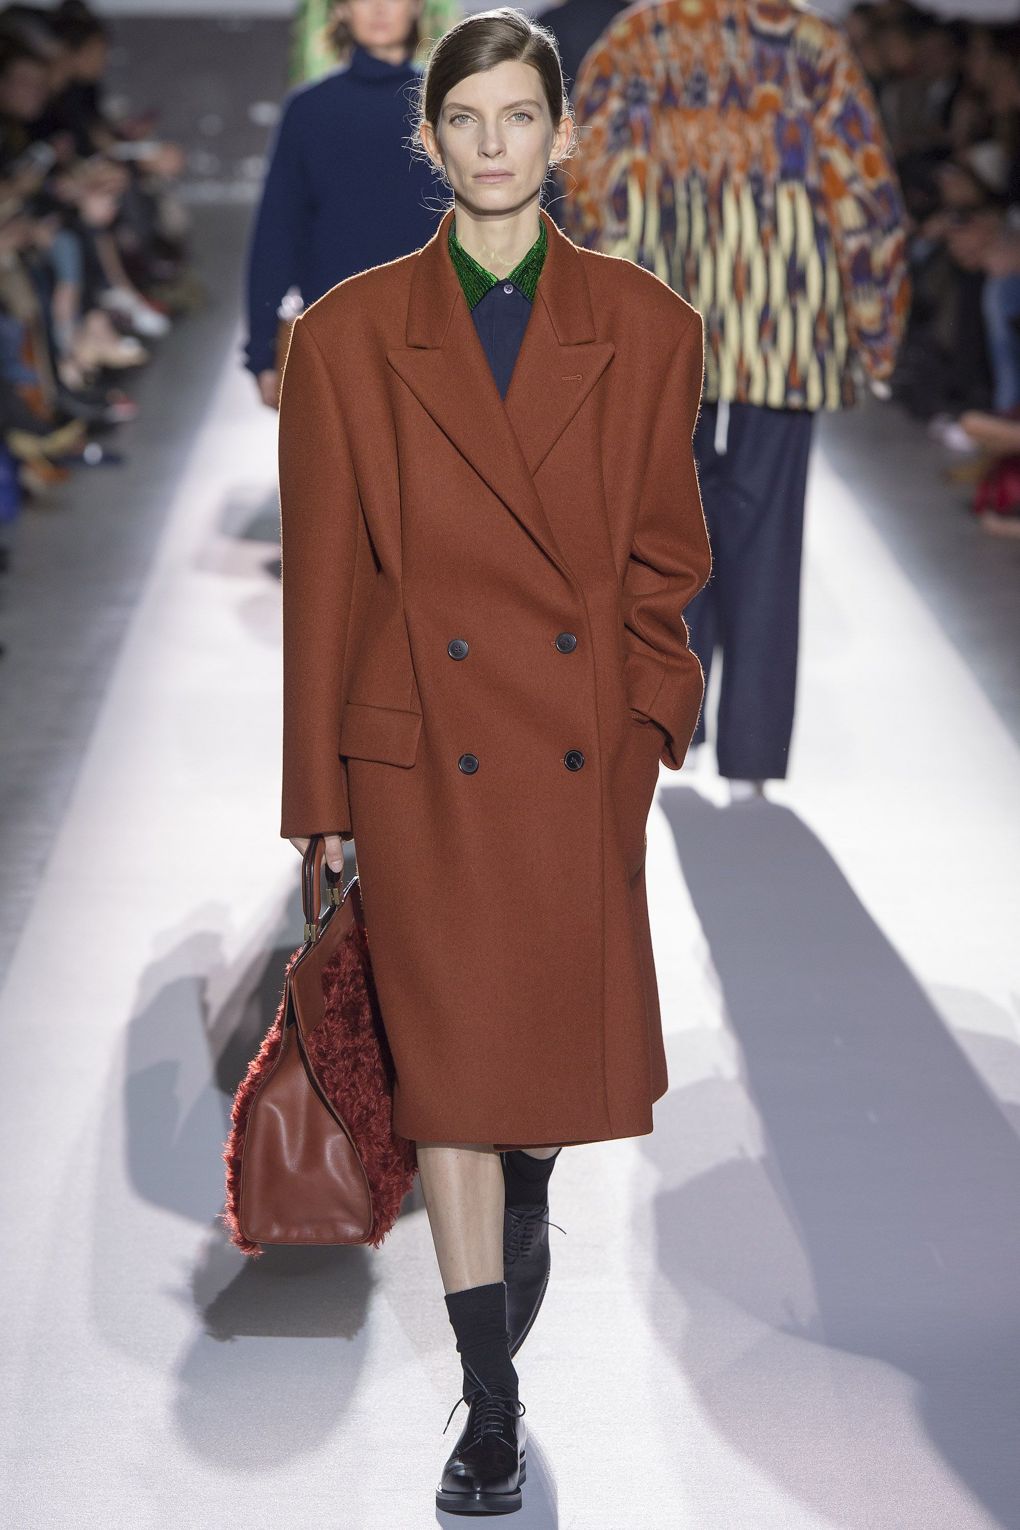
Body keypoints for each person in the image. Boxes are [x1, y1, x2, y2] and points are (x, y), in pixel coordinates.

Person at [276, 6, 710, 1515]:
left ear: (563, 132)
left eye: (521, 115)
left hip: (575, 760)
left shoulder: (648, 327)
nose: (494, 144)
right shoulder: (346, 340)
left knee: (524, 1106)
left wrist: (648, 726)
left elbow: (666, 561)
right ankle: (492, 1405)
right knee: (452, 1085)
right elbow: (323, 584)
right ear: (431, 138)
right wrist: (318, 799)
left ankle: (527, 1193)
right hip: (421, 758)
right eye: (466, 120)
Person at [564, 0, 910, 796]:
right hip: (781, 327)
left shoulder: (636, 40)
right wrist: (876, 329)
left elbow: (589, 187)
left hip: (657, 332)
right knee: (767, 534)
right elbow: (864, 194)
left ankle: (672, 725)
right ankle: (752, 758)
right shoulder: (810, 47)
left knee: (661, 535)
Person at [244, 0, 441, 409]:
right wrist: (262, 351)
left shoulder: (449, 108)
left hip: (438, 336)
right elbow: (278, 231)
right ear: (341, 9)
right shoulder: (309, 110)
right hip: (336, 338)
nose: (380, 7)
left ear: (416, 5)